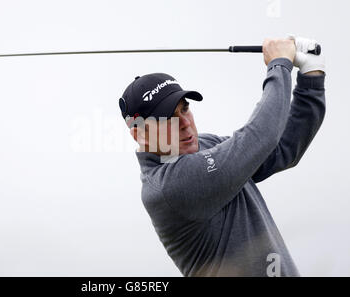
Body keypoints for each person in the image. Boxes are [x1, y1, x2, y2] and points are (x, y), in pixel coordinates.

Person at [118, 36, 326, 277]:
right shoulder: (168, 187)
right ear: (140, 134)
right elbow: (261, 136)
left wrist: (312, 76)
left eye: (185, 108)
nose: (185, 123)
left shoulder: (206, 145)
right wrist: (279, 64)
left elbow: (281, 149)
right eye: (169, 118)